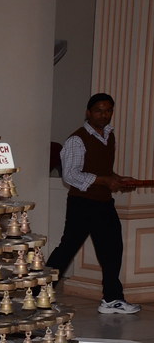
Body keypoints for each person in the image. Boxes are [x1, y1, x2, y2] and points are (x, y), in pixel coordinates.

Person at [46, 93, 140, 314]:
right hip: (82, 203)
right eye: (99, 110)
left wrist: (117, 178)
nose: (104, 115)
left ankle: (112, 299)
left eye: (108, 110)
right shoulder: (76, 140)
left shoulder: (108, 136)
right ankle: (41, 296)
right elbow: (70, 175)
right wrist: (105, 180)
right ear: (88, 113)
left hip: (103, 202)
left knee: (113, 248)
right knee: (67, 249)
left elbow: (102, 171)